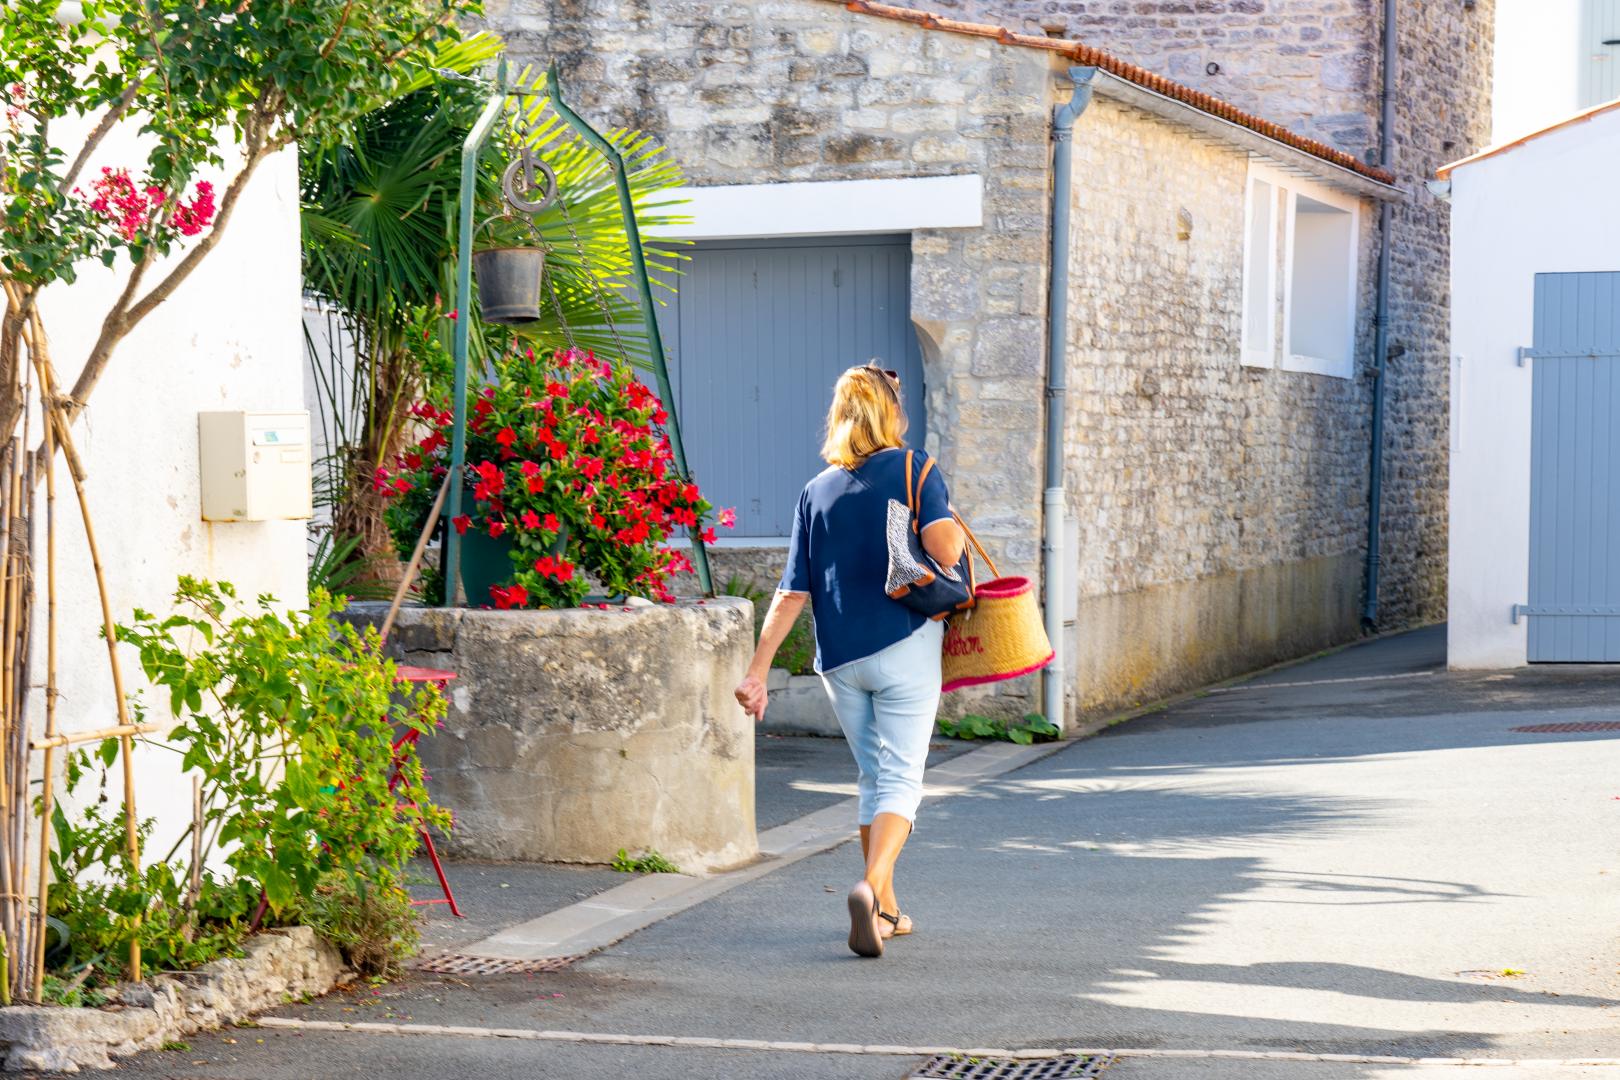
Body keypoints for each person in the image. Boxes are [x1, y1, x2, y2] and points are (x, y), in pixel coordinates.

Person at [734, 361, 965, 959]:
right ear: (891, 413)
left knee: (871, 778)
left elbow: (790, 594)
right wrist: (945, 521)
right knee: (902, 778)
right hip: (904, 643)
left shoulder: (816, 490)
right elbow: (945, 549)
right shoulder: (915, 468)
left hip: (838, 660)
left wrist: (757, 673)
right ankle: (867, 885)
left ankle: (884, 908)